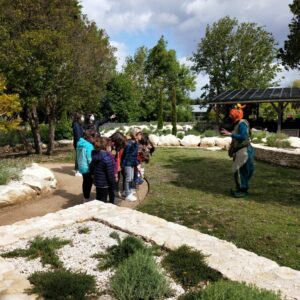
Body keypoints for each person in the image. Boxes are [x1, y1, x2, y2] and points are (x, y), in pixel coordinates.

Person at [221, 107, 255, 198]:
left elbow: (243, 136)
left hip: (244, 150)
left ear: (236, 115)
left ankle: (243, 190)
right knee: (239, 170)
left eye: (232, 115)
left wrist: (230, 134)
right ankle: (240, 188)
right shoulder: (238, 124)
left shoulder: (241, 124)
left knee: (243, 171)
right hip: (241, 150)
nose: (230, 116)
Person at [90, 137, 115, 204]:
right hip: (105, 183)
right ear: (106, 147)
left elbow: (91, 167)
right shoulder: (107, 159)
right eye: (110, 145)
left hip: (98, 182)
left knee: (98, 198)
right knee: (103, 201)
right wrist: (113, 183)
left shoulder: (94, 155)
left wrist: (93, 176)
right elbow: (110, 174)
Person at [121, 127, 143, 201]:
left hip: (131, 163)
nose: (141, 135)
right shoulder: (130, 144)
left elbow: (134, 156)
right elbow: (126, 156)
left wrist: (136, 164)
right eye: (140, 134)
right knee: (128, 178)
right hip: (127, 164)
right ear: (135, 135)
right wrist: (123, 165)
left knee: (130, 178)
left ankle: (126, 191)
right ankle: (127, 194)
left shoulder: (135, 143)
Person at [76, 129, 95, 202]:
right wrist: (93, 168)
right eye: (93, 137)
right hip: (87, 167)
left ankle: (85, 197)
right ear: (90, 137)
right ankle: (87, 198)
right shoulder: (89, 145)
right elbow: (89, 158)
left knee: (85, 181)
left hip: (81, 165)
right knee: (89, 182)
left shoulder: (79, 143)